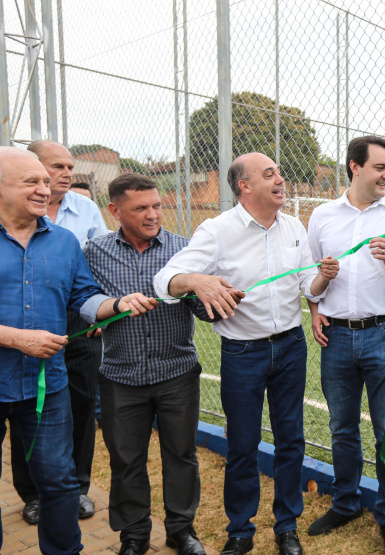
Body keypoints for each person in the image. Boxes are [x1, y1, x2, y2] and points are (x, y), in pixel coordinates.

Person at [153, 152, 339, 555]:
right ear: (245, 186)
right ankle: (241, 530)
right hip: (242, 353)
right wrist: (197, 280)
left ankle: (286, 526)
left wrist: (321, 279)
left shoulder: (293, 227)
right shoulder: (217, 230)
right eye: (270, 174)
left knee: (291, 440)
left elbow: (308, 288)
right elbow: (164, 279)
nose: (281, 179)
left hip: (290, 348)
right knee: (242, 443)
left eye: (280, 172)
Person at [0, 147, 156, 555]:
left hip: (46, 388)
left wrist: (116, 305)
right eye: (32, 182)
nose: (46, 189)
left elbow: (84, 296)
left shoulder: (63, 242)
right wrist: (18, 339)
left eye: (45, 180)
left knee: (59, 484)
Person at [85, 173, 218, 555]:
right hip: (120, 375)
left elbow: (202, 311)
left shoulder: (184, 249)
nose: (152, 214)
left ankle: (181, 529)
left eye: (157, 205)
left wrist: (216, 299)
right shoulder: (94, 252)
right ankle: (134, 534)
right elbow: (82, 299)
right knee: (126, 460)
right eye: (140, 208)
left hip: (176, 372)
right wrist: (97, 316)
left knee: (181, 455)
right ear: (114, 211)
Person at [305, 136, 385, 555]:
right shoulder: (321, 216)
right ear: (355, 167)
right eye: (380, 167)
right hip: (335, 338)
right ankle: (347, 503)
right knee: (342, 428)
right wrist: (315, 306)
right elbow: (310, 278)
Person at [9, 140, 110, 525]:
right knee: (26, 409)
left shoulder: (85, 209)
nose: (68, 173)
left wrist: (99, 313)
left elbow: (98, 263)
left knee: (82, 406)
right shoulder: (6, 216)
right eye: (58, 166)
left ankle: (77, 489)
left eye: (70, 166)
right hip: (26, 325)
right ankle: (33, 494)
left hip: (80, 320)